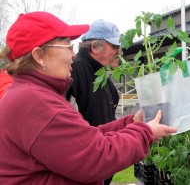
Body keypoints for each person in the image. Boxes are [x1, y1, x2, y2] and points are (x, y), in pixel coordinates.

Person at [0, 11, 177, 185]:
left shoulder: (31, 93)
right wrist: (146, 132)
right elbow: (96, 156)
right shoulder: (34, 101)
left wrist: (132, 122)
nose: (73, 54)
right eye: (67, 46)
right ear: (39, 56)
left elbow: (84, 140)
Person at [66, 19, 122, 185]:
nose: (119, 52)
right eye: (114, 46)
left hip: (102, 164)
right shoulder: (75, 71)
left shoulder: (101, 74)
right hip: (86, 169)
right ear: (95, 48)